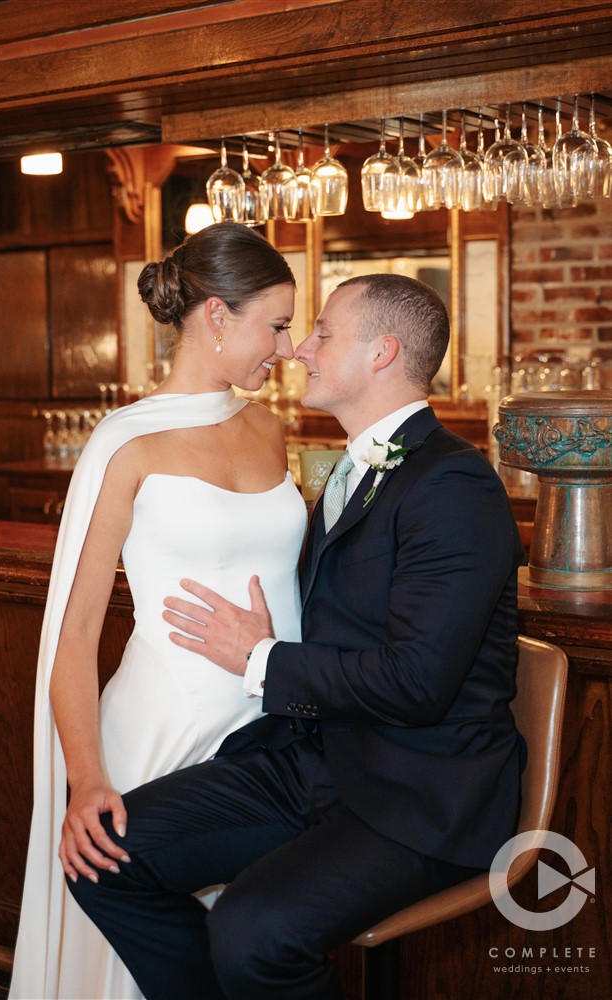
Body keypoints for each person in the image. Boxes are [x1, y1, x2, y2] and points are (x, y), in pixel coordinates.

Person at [67, 273, 526, 1000]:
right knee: (105, 855)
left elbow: (417, 682)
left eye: (322, 334)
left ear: (381, 353)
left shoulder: (454, 486)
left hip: (420, 795)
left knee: (252, 932)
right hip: (315, 762)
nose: (300, 350)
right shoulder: (352, 469)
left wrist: (262, 658)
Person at [9, 222, 306, 999]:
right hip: (161, 733)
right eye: (276, 325)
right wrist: (86, 779)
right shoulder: (126, 443)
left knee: (254, 944)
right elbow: (73, 633)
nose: (287, 347)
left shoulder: (269, 427)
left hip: (275, 732)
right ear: (217, 315)